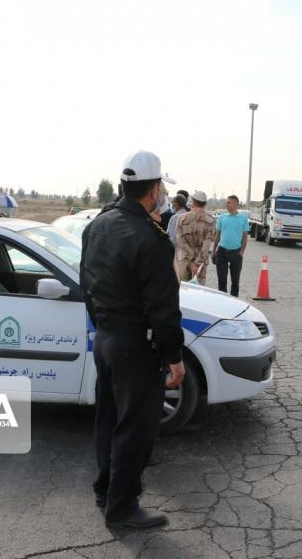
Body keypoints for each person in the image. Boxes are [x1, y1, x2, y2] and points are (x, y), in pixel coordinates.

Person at [79, 150, 186, 530]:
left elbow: (86, 286)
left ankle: (105, 489)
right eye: (161, 188)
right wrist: (174, 356)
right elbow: (163, 308)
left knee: (108, 420)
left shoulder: (97, 225)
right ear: (154, 189)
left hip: (105, 340)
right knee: (134, 428)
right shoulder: (151, 239)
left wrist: (104, 324)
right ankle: (122, 507)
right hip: (136, 348)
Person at [174, 190, 215, 285]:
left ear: (193, 201)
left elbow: (180, 241)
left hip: (184, 259)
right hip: (200, 263)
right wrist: (196, 263)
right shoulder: (211, 221)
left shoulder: (181, 218)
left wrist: (191, 258)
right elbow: (206, 246)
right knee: (199, 292)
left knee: (183, 290)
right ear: (205, 203)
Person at [213, 195, 250, 296]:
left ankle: (234, 303)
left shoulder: (243, 219)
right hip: (221, 252)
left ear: (235, 204)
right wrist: (214, 251)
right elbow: (217, 235)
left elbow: (245, 238)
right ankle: (223, 302)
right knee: (222, 281)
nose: (226, 204)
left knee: (235, 282)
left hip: (236, 253)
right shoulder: (222, 217)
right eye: (226, 202)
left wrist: (241, 253)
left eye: (229, 202)